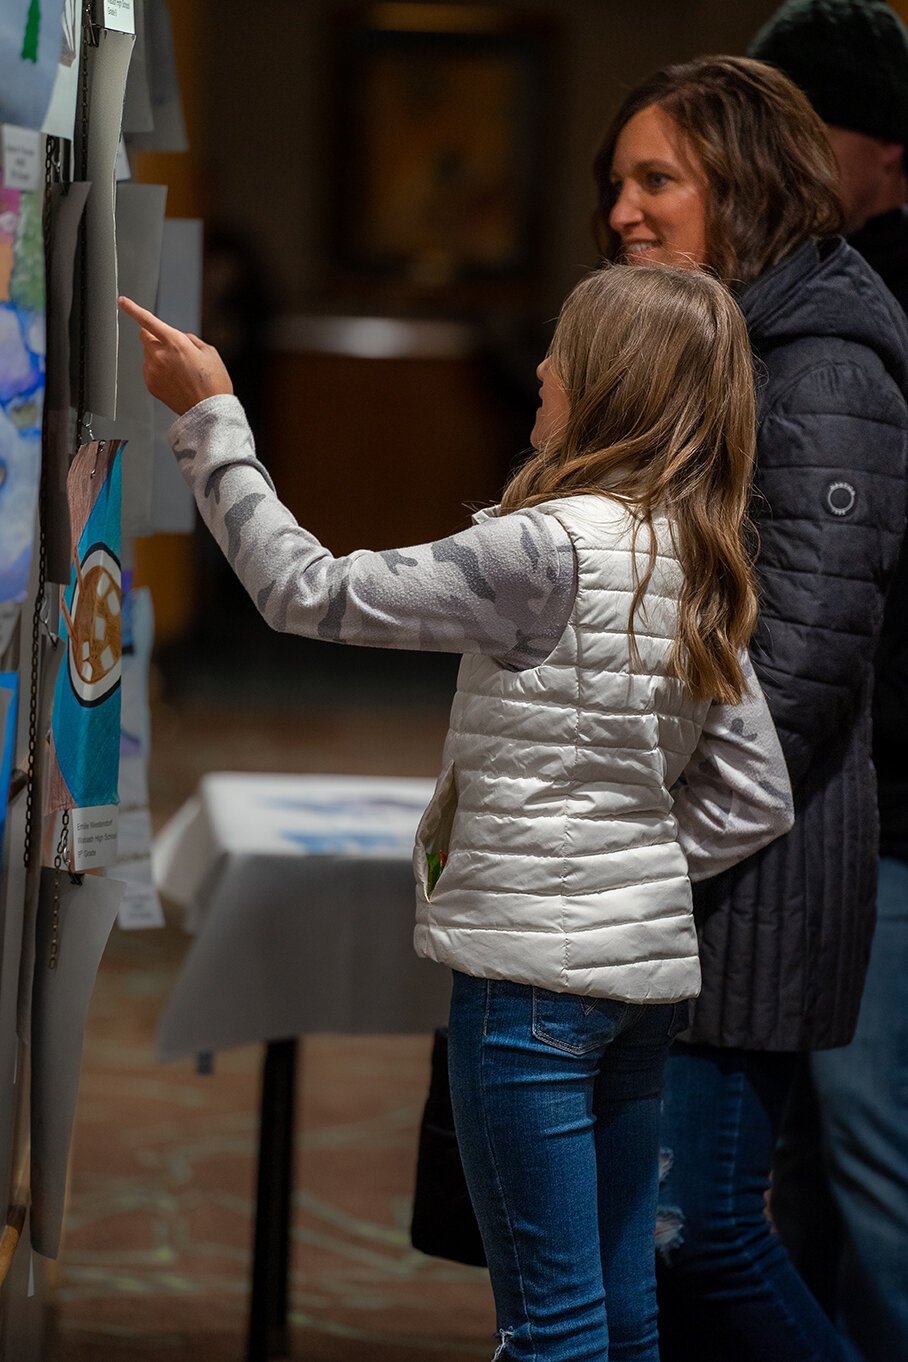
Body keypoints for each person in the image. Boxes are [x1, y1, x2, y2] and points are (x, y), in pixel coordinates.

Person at [120, 263, 793, 1362]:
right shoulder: (700, 552)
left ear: (609, 383)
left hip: (529, 986)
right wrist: (616, 861)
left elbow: (308, 592)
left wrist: (210, 420)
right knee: (624, 1317)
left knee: (550, 1329)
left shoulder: (543, 548)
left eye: (562, 354)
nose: (538, 371)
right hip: (638, 985)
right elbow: (753, 795)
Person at [592, 55, 908, 1362]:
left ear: (752, 187)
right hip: (694, 864)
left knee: (708, 1231)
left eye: (656, 178)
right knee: (675, 1234)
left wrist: (648, 838)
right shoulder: (724, 341)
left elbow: (803, 665)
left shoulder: (821, 371)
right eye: (618, 181)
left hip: (747, 871)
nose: (622, 209)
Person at [748, 6, 908, 1359]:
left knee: (868, 1169)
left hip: (880, 804)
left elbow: (838, 616)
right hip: (833, 796)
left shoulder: (857, 315)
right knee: (809, 1168)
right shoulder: (809, 278)